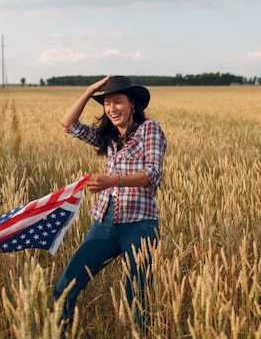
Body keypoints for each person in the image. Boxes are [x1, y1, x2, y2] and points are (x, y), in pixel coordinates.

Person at [53, 75, 167, 334]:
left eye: (118, 102)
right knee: (64, 287)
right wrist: (91, 89)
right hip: (104, 223)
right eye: (106, 103)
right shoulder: (110, 137)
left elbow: (153, 174)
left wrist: (111, 181)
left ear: (132, 104)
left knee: (136, 304)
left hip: (139, 226)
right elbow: (68, 123)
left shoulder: (150, 129)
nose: (112, 108)